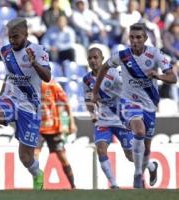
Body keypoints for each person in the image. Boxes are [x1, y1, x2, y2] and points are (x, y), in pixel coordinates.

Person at [91, 23, 177, 188]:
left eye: (138, 37)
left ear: (145, 39)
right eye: (132, 37)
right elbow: (104, 68)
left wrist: (158, 76)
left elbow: (173, 78)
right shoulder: (122, 55)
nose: (135, 41)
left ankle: (151, 167)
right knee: (138, 130)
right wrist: (95, 91)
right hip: (129, 103)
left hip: (149, 105)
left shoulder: (156, 55)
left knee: (146, 150)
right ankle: (138, 174)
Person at [0, 17, 51, 190]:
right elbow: (10, 74)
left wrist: (35, 64)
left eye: (15, 36)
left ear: (25, 33)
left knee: (25, 157)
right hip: (10, 99)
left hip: (30, 107)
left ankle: (37, 174)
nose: (12, 40)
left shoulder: (38, 50)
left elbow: (47, 77)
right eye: (9, 37)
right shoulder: (5, 51)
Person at [85, 47, 158, 189]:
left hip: (121, 120)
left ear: (102, 59)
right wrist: (92, 113)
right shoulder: (86, 79)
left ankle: (151, 165)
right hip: (104, 120)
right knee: (100, 149)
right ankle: (113, 185)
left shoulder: (114, 74)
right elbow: (88, 98)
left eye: (96, 57)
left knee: (130, 156)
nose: (93, 61)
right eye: (90, 58)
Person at [35, 79, 77, 189]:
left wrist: (71, 123)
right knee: (35, 156)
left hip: (53, 127)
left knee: (62, 156)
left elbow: (66, 102)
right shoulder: (30, 83)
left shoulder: (53, 84)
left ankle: (73, 186)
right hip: (37, 128)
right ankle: (38, 186)